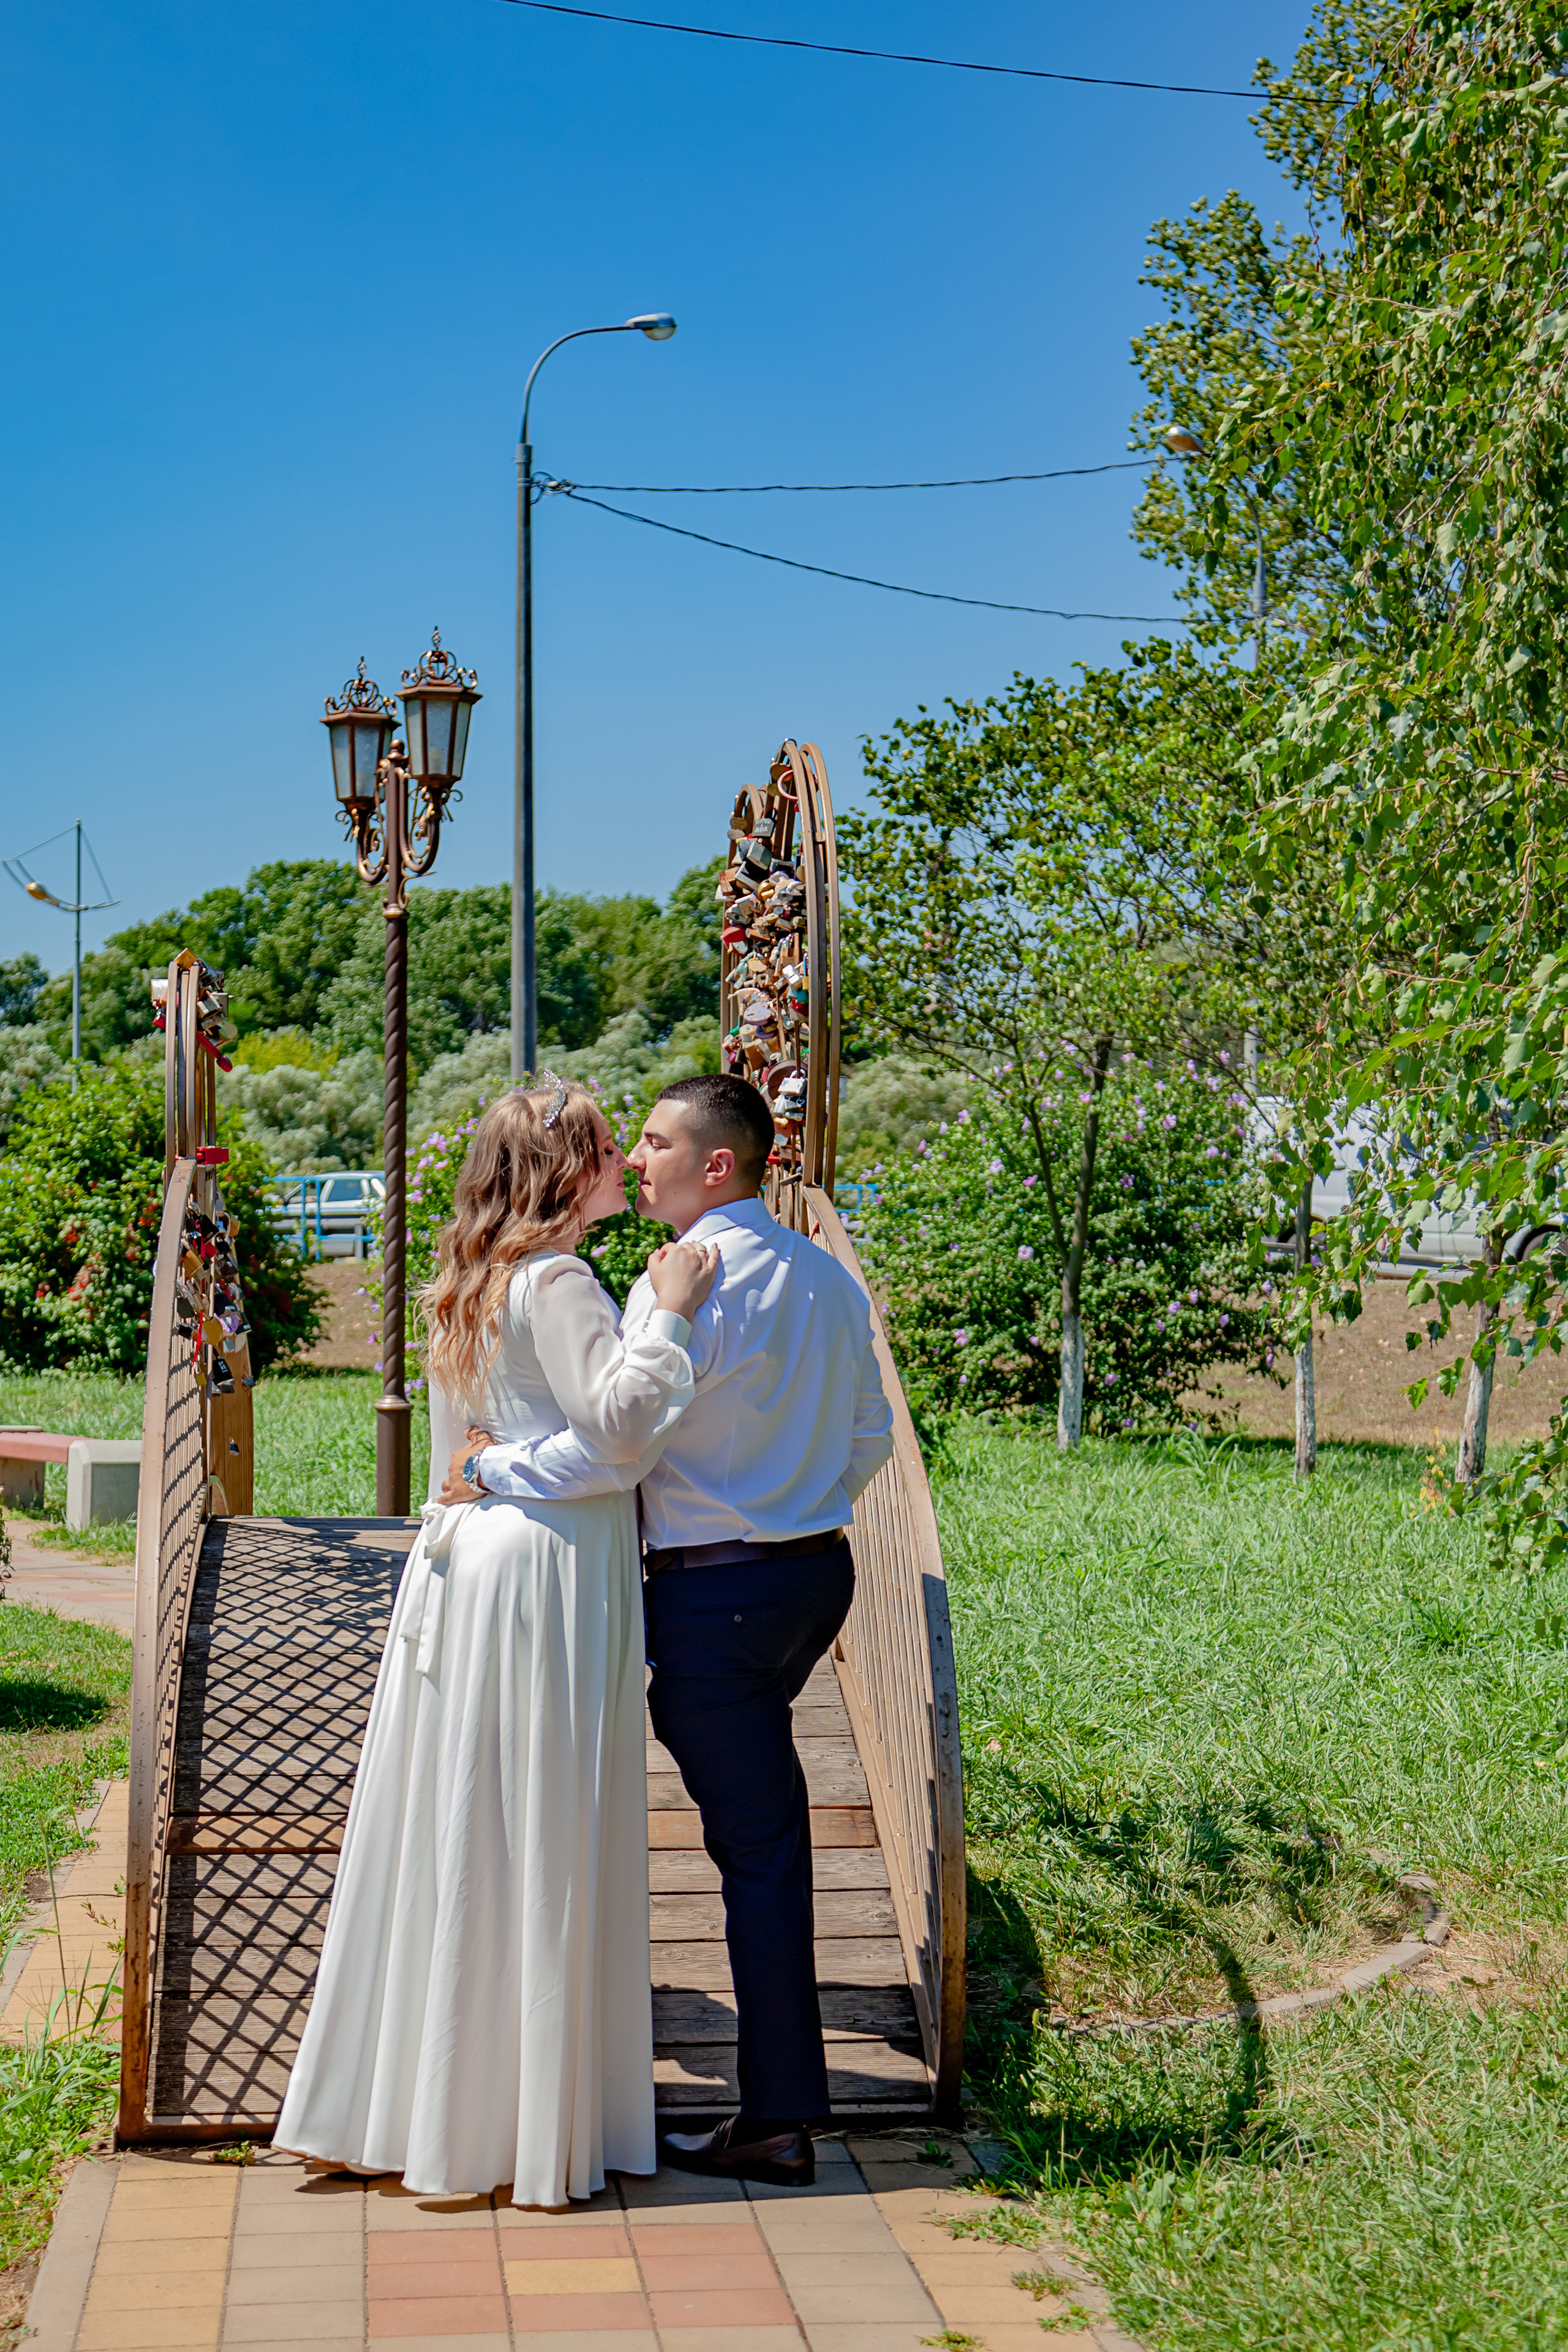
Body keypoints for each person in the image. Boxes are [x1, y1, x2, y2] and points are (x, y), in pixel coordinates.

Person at [443, 1072, 895, 2189]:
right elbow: (871, 1435)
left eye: (652, 1143)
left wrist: (491, 1467)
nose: (634, 1160)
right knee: (763, 1826)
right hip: (811, 1582)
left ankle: (782, 2116)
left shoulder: (672, 1289)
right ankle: (749, 2091)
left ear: (717, 1165)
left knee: (760, 1849)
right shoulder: (833, 1282)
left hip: (710, 1600)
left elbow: (619, 1441)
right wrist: (797, 1506)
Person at [275, 1077, 718, 2211]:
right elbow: (616, 1432)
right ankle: (517, 2128)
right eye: (609, 1148)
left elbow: (454, 1461)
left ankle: (415, 2111)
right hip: (546, 1566)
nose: (626, 1163)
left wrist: (505, 1464)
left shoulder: (470, 1281)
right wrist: (667, 1311)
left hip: (472, 1557)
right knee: (534, 1827)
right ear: (568, 1171)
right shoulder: (560, 1277)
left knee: (464, 1821)